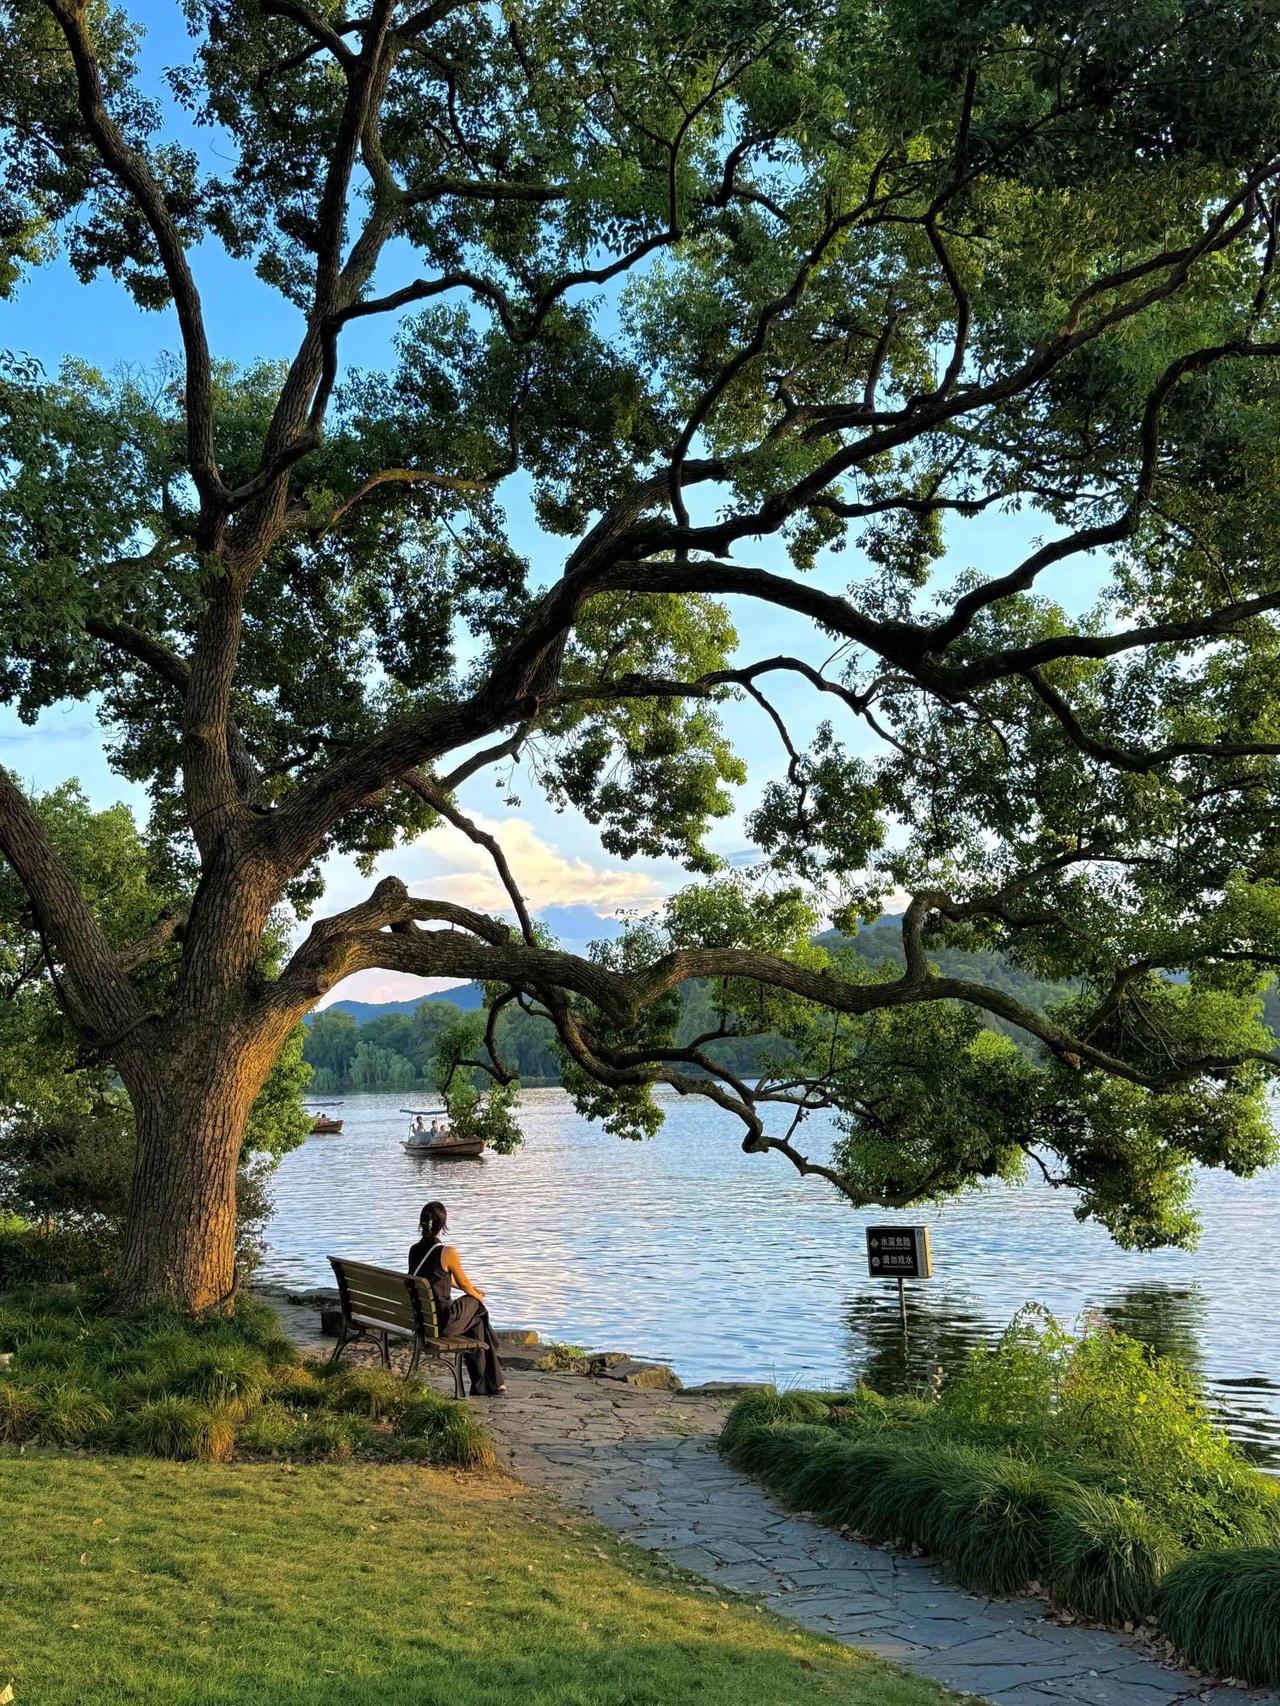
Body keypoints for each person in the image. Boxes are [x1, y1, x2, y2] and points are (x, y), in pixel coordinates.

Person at [408, 1201, 505, 1395]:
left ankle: (486, 1383)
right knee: (476, 1306)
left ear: (421, 1224)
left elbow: (435, 1277)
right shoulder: (448, 1252)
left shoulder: (414, 1250)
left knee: (476, 1323)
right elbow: (464, 1285)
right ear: (442, 1226)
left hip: (424, 1320)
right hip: (442, 1323)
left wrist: (469, 1289)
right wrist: (477, 1295)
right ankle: (493, 1345)